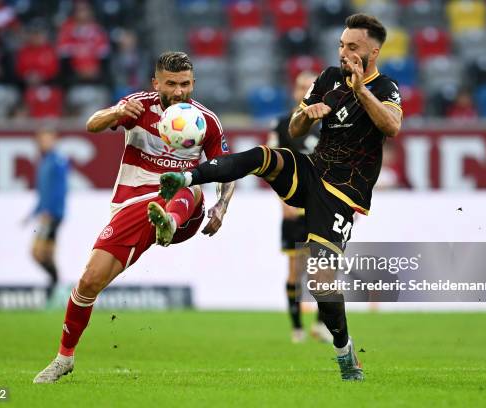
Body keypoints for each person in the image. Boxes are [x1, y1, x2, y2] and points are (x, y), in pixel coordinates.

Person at [159, 14, 402, 381]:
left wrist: (360, 90)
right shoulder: (328, 79)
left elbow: (392, 126)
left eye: (352, 46)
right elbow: (294, 127)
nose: (344, 52)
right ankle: (187, 176)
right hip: (311, 172)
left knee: (320, 281)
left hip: (342, 194)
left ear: (373, 50)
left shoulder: (385, 87)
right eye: (341, 44)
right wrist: (308, 115)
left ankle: (343, 349)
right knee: (261, 157)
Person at [33, 51, 235, 383]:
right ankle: (64, 358)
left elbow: (226, 169)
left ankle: (168, 222)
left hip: (183, 210)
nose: (180, 91)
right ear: (156, 83)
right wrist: (116, 111)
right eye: (171, 84)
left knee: (189, 181)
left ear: (193, 83)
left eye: (185, 84)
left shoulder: (206, 121)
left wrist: (222, 206)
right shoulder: (137, 106)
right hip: (135, 207)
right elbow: (92, 125)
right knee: (88, 282)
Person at [267, 70, 332, 344]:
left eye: (310, 87)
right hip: (294, 208)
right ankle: (296, 328)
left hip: (322, 208)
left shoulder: (328, 126)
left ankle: (320, 325)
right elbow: (271, 166)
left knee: (325, 269)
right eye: (301, 86)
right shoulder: (283, 125)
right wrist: (283, 201)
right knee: (296, 268)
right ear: (295, 92)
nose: (305, 91)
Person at [24, 129, 69, 299]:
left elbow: (59, 190)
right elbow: (43, 192)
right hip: (46, 214)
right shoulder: (44, 162)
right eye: (41, 139)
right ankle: (56, 286)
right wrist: (32, 213)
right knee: (46, 254)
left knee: (38, 252)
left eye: (47, 139)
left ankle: (56, 284)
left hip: (53, 215)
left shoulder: (57, 161)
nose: (44, 142)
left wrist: (50, 211)